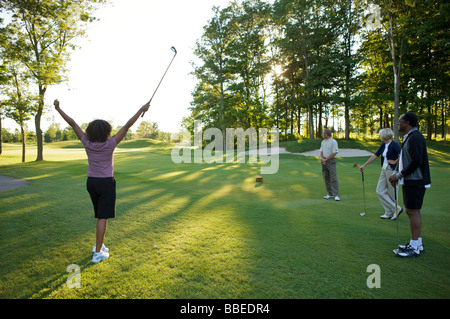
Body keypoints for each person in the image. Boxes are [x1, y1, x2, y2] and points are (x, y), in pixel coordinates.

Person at [54, 99, 150, 263]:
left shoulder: (86, 142)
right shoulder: (111, 143)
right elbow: (127, 126)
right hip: (105, 183)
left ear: (91, 132)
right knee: (102, 218)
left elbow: (72, 123)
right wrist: (141, 109)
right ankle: (98, 252)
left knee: (100, 215)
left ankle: (99, 244)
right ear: (106, 132)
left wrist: (58, 109)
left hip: (91, 183)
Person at [389, 112, 431, 258]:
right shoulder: (411, 137)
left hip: (415, 180)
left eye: (400, 121)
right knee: (413, 211)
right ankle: (417, 243)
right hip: (411, 180)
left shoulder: (415, 137)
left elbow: (416, 161)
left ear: (407, 122)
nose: (398, 123)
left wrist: (399, 175)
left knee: (412, 211)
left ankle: (414, 247)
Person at [359, 128, 402, 220]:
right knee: (379, 191)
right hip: (384, 169)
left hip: (392, 170)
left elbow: (402, 154)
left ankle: (392, 211)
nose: (379, 136)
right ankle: (393, 210)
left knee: (392, 193)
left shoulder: (394, 144)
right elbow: (375, 155)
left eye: (380, 135)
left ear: (384, 136)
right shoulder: (383, 145)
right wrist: (364, 165)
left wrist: (395, 162)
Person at [320, 129, 340, 201]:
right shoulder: (323, 142)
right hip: (324, 161)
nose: (322, 134)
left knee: (333, 178)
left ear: (326, 134)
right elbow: (321, 151)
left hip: (331, 161)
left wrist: (325, 160)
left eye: (323, 133)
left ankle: (336, 195)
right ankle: (330, 193)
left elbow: (334, 153)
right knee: (326, 177)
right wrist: (322, 159)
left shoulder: (333, 142)